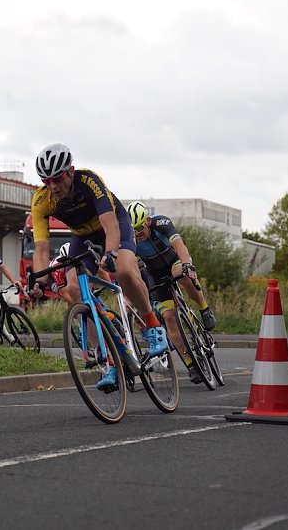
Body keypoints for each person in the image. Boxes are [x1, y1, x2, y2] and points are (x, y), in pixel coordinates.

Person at [26, 143, 169, 391]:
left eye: (57, 179)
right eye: (46, 181)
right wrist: (39, 282)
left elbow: (111, 226)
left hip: (114, 226)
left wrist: (111, 253)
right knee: (73, 290)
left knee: (124, 270)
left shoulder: (89, 181)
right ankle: (108, 361)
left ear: (70, 171)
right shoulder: (42, 200)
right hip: (82, 237)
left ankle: (153, 326)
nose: (53, 186)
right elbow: (40, 249)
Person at [126, 201, 216, 384]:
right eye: (133, 230)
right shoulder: (131, 239)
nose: (137, 233)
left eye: (140, 228)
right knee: (168, 317)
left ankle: (204, 308)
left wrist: (187, 265)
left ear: (148, 221)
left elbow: (179, 245)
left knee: (182, 275)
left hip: (174, 261)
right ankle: (191, 365)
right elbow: (133, 268)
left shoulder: (162, 223)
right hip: (154, 273)